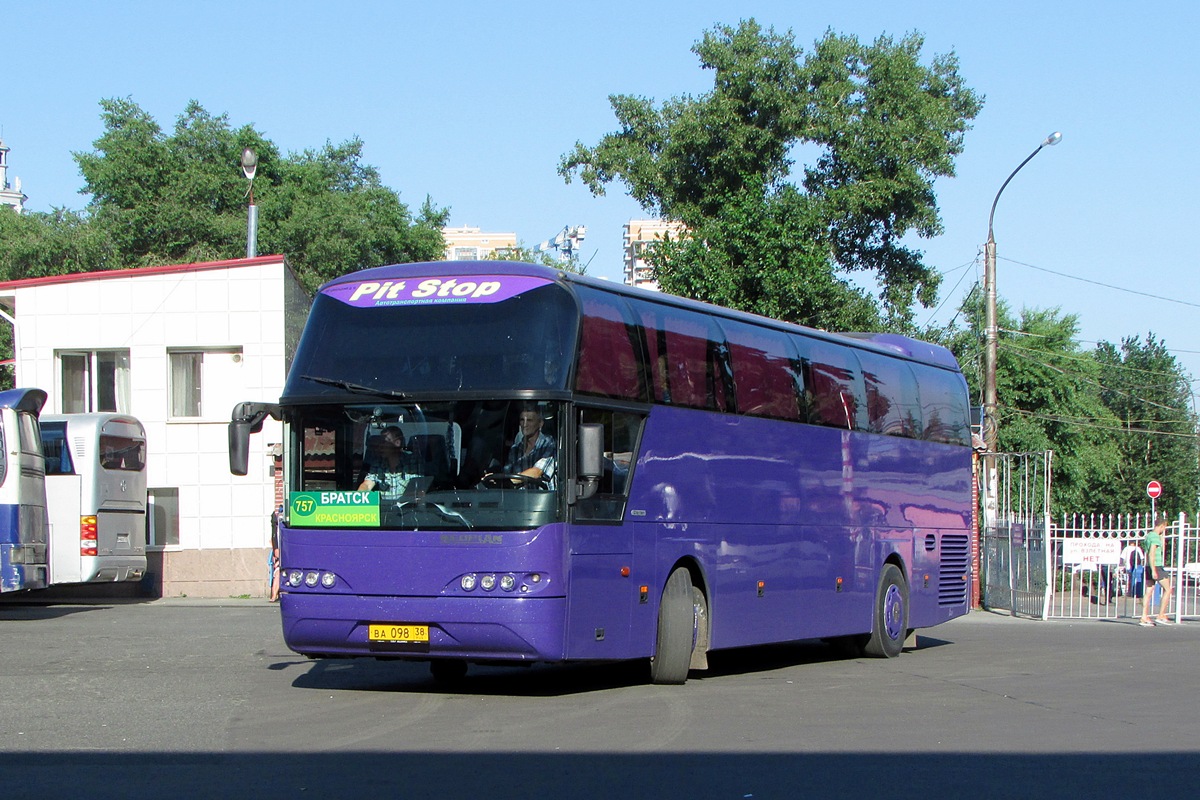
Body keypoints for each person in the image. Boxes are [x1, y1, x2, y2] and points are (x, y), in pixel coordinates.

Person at [358, 426, 421, 501]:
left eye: (384, 442)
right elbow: (367, 485)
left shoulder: (413, 461)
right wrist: (359, 497)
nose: (380, 446)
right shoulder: (378, 463)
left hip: (408, 509)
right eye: (380, 442)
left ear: (397, 443)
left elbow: (418, 489)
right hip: (384, 510)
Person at [500, 404, 556, 487]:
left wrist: (509, 480)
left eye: (529, 420)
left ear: (540, 423)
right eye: (522, 420)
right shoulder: (515, 449)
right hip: (517, 498)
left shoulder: (548, 444)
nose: (524, 424)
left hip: (542, 498)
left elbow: (536, 472)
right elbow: (507, 472)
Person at [1140, 518, 1174, 626]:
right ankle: (1161, 614)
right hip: (1156, 566)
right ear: (1162, 526)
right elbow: (1152, 553)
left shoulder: (1149, 536)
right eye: (1164, 527)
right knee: (1168, 589)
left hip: (1148, 566)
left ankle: (1144, 616)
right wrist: (1154, 569)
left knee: (1149, 591)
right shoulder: (1154, 537)